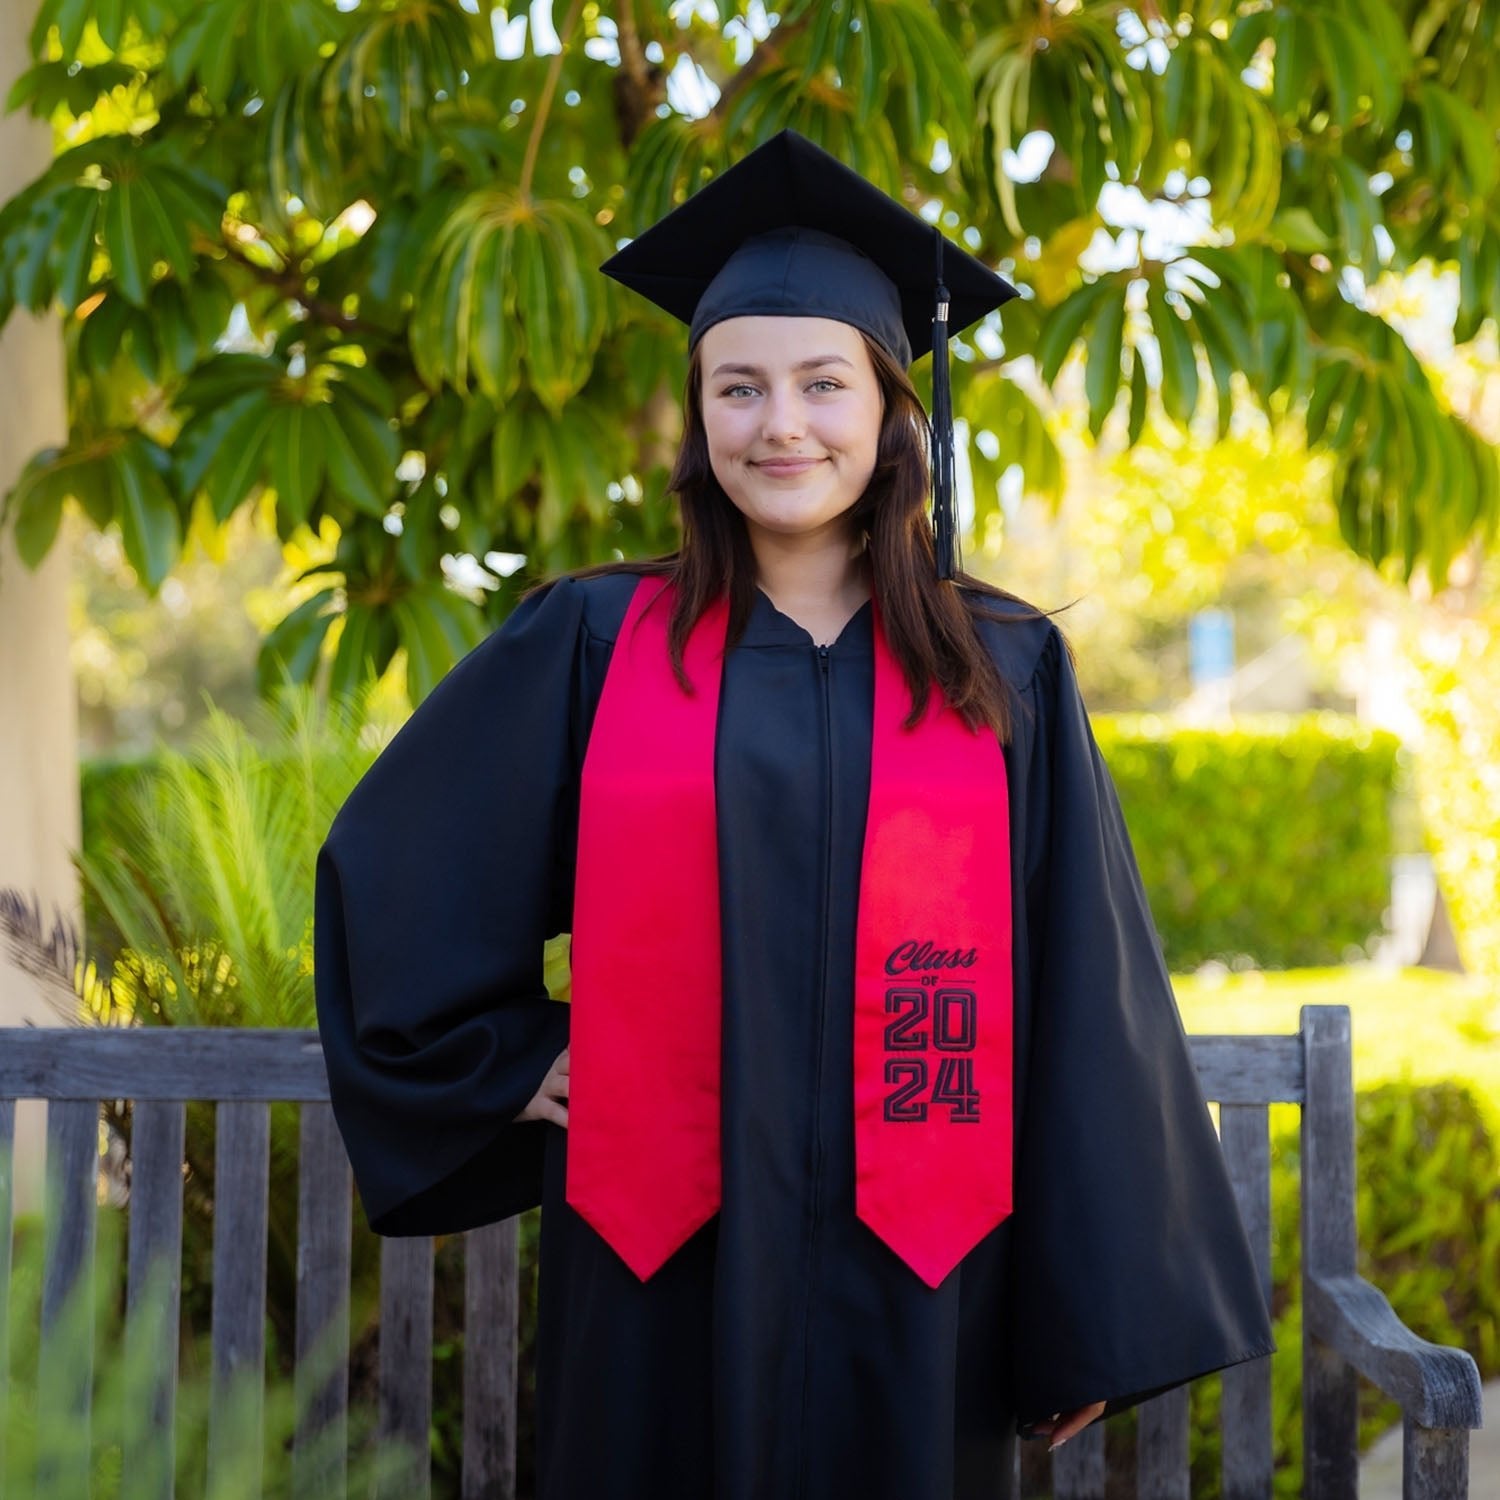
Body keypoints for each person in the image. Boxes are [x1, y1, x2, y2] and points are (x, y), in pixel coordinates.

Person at [314, 130, 1275, 1500]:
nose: (782, 425)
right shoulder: (598, 641)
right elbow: (399, 865)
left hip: (926, 1270)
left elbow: (1082, 987)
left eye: (824, 384)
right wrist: (501, 1064)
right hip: (662, 1259)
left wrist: (1083, 1311)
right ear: (699, 415)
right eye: (739, 386)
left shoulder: (998, 666)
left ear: (890, 410)